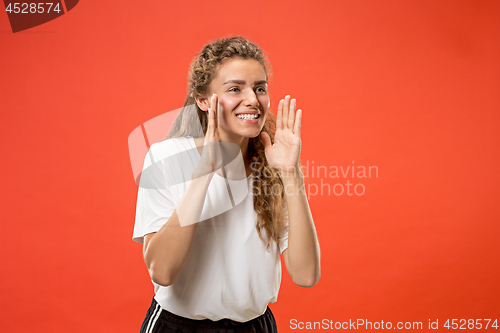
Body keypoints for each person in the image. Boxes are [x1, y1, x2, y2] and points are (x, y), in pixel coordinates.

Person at [133, 36, 320, 333]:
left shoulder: (272, 166)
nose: (253, 100)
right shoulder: (166, 157)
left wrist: (290, 173)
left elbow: (306, 273)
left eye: (260, 88)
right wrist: (205, 171)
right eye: (235, 88)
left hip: (254, 326)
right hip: (178, 326)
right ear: (203, 99)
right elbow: (162, 271)